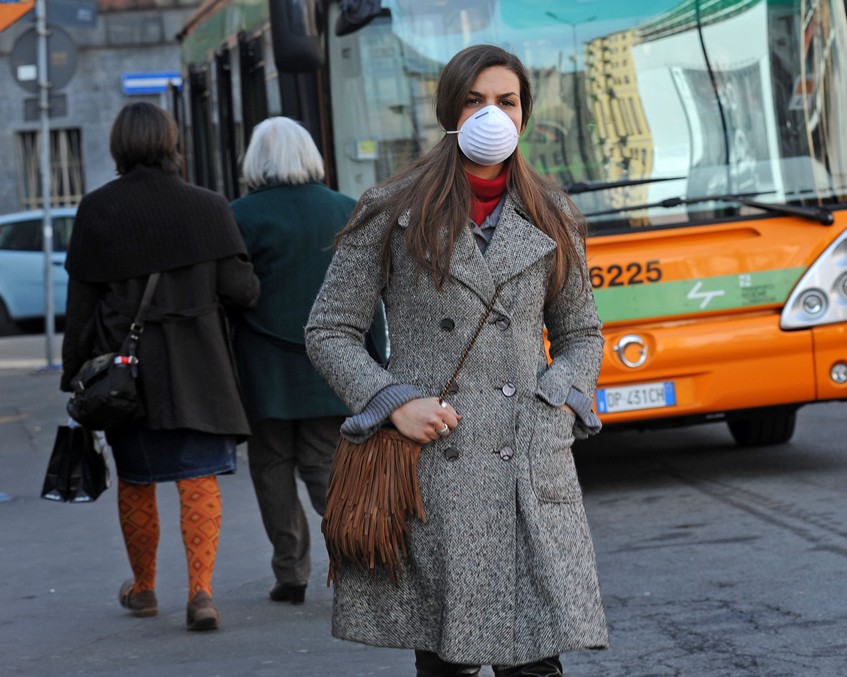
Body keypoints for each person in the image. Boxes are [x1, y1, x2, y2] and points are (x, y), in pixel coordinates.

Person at [305, 45, 608, 676]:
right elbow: (330, 328)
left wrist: (557, 403)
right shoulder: (390, 211)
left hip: (528, 465)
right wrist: (395, 403)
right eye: (474, 100)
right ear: (449, 110)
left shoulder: (553, 215)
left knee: (536, 663)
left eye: (506, 100)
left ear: (524, 115)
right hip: (437, 468)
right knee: (447, 662)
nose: (491, 114)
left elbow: (582, 334)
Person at [60, 102, 260, 632]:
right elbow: (242, 291)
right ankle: (201, 594)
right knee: (197, 478)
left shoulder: (98, 210)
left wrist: (73, 374)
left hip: (127, 375)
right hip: (200, 368)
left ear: (119, 145)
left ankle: (145, 588)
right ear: (173, 141)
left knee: (137, 479)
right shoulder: (209, 206)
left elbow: (79, 305)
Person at [229, 117, 387, 605]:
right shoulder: (345, 209)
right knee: (326, 466)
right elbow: (372, 296)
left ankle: (290, 571)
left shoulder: (239, 217)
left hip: (264, 369)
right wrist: (376, 360)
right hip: (332, 366)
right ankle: (362, 561)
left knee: (272, 466)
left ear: (255, 160)